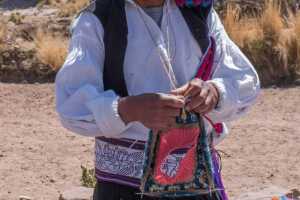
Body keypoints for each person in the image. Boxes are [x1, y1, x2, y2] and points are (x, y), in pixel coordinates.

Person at [55, 0, 260, 199]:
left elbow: (245, 81)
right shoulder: (96, 19)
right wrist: (129, 109)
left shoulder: (198, 12)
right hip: (124, 189)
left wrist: (214, 92)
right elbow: (71, 105)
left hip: (198, 185)